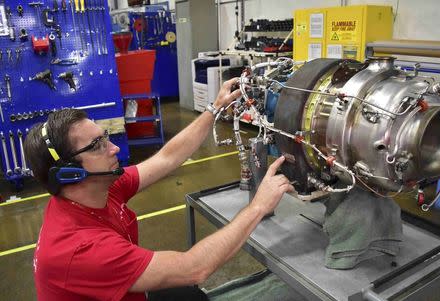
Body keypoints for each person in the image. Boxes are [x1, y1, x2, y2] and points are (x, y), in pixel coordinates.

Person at [24, 78, 295, 301]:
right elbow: (195, 268)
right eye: (96, 146)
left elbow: (166, 158)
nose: (114, 148)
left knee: (188, 296)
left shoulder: (98, 187)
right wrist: (258, 206)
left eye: (104, 138)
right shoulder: (80, 250)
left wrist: (214, 108)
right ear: (69, 173)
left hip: (130, 294)